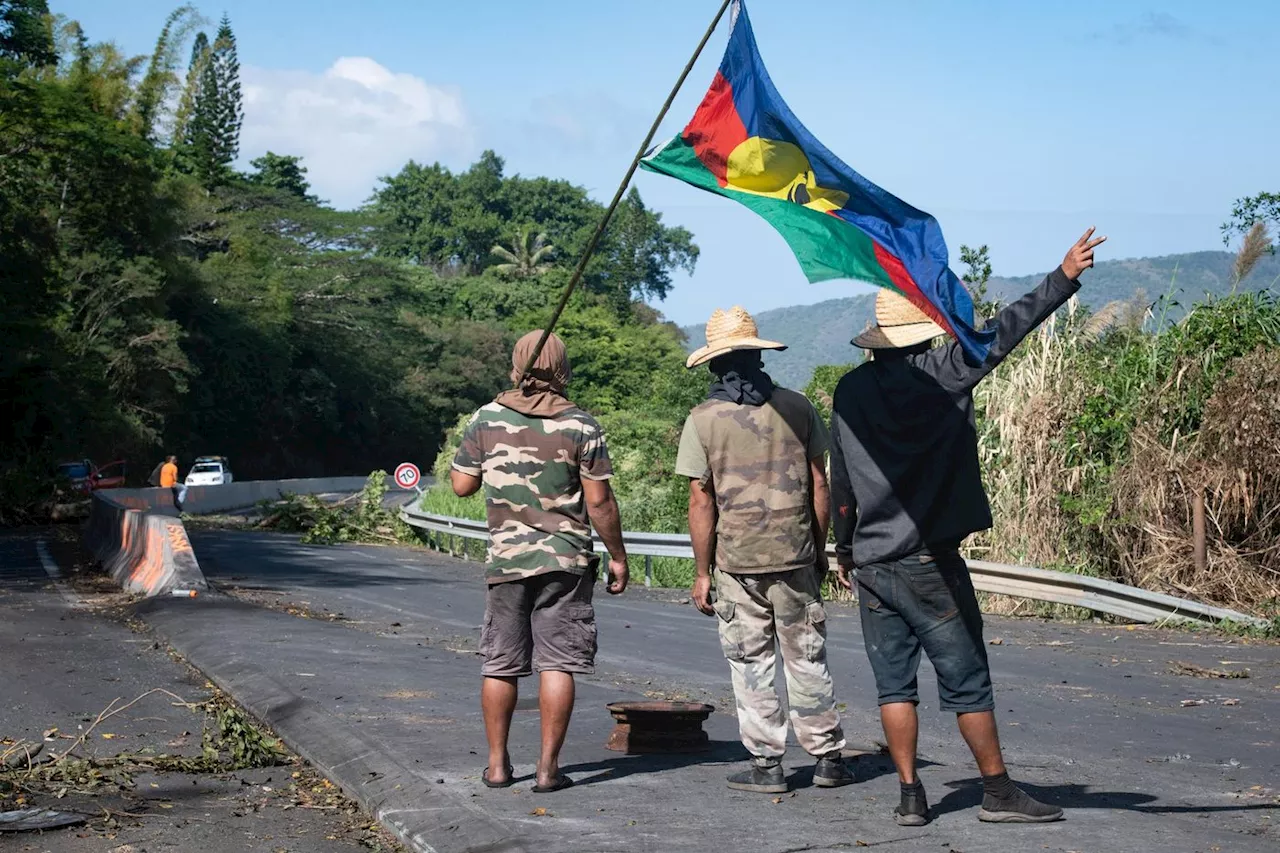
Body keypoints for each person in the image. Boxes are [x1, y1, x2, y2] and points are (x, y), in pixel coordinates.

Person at [828, 228, 1107, 826]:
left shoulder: (848, 392)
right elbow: (1005, 331)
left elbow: (843, 482)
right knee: (967, 681)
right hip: (928, 560)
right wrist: (1062, 277)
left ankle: (909, 796)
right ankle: (998, 792)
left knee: (894, 686)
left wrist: (845, 549)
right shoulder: (942, 372)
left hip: (873, 564)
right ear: (922, 332)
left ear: (876, 341)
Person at [677, 306, 852, 794]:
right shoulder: (797, 407)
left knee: (751, 664)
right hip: (795, 556)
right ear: (758, 355)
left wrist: (702, 572)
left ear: (714, 363)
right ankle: (828, 759)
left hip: (737, 562)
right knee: (807, 658)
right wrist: (818, 549)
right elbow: (821, 484)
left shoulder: (703, 420)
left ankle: (767, 766)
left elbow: (700, 498)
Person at [450, 330, 629, 794]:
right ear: (561, 368)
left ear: (517, 365)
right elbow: (600, 502)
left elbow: (461, 486)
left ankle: (496, 766)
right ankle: (549, 769)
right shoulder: (581, 425)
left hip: (507, 561)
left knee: (501, 664)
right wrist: (618, 556)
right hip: (565, 562)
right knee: (558, 663)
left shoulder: (486, 418)